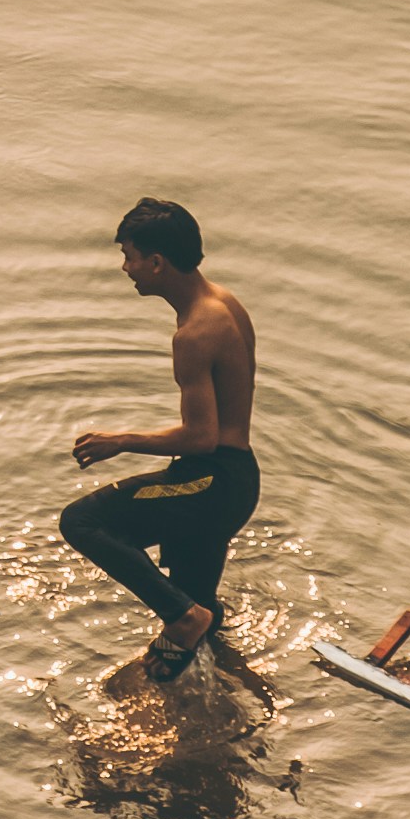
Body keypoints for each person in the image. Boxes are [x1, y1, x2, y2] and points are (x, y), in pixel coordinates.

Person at [61, 199, 259, 682]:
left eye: (130, 257)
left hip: (210, 482)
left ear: (157, 262)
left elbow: (200, 437)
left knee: (83, 521)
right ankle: (221, 698)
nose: (126, 269)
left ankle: (185, 619)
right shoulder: (224, 301)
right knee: (194, 629)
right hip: (237, 481)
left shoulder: (194, 332)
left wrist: (120, 440)